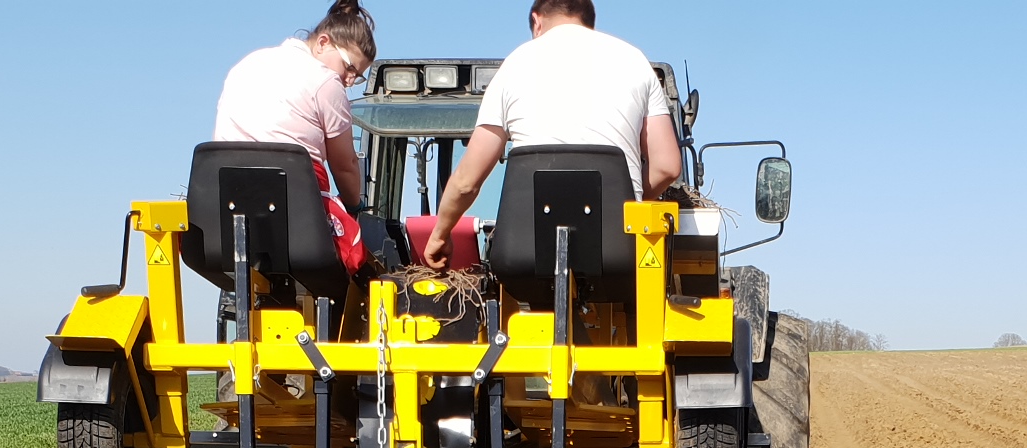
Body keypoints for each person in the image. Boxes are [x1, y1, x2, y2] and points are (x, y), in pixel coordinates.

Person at [420, 0, 683, 271]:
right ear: (589, 20)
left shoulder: (514, 66)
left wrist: (440, 234)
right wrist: (625, 202)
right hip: (618, 250)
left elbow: (466, 182)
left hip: (525, 253)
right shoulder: (634, 61)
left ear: (536, 22)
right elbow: (667, 166)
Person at [213, 2, 379, 275]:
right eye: (349, 67)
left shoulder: (250, 62)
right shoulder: (326, 81)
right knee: (356, 256)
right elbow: (345, 164)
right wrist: (353, 206)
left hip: (226, 200)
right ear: (323, 42)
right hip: (293, 209)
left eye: (357, 77)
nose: (349, 80)